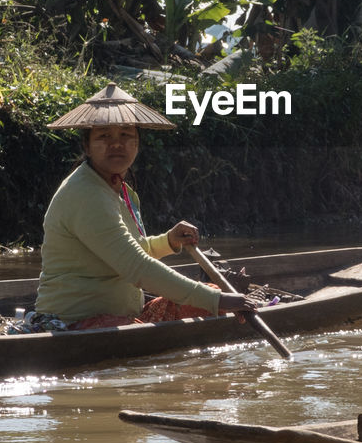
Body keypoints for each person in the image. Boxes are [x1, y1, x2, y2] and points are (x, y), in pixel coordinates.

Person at [34, 83, 257, 330]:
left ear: (137, 143)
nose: (116, 144)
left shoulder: (118, 190)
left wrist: (169, 241)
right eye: (104, 136)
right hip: (75, 322)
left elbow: (131, 250)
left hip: (124, 315)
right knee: (213, 298)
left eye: (126, 135)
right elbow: (135, 266)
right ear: (87, 146)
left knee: (210, 295)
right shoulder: (85, 194)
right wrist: (218, 300)